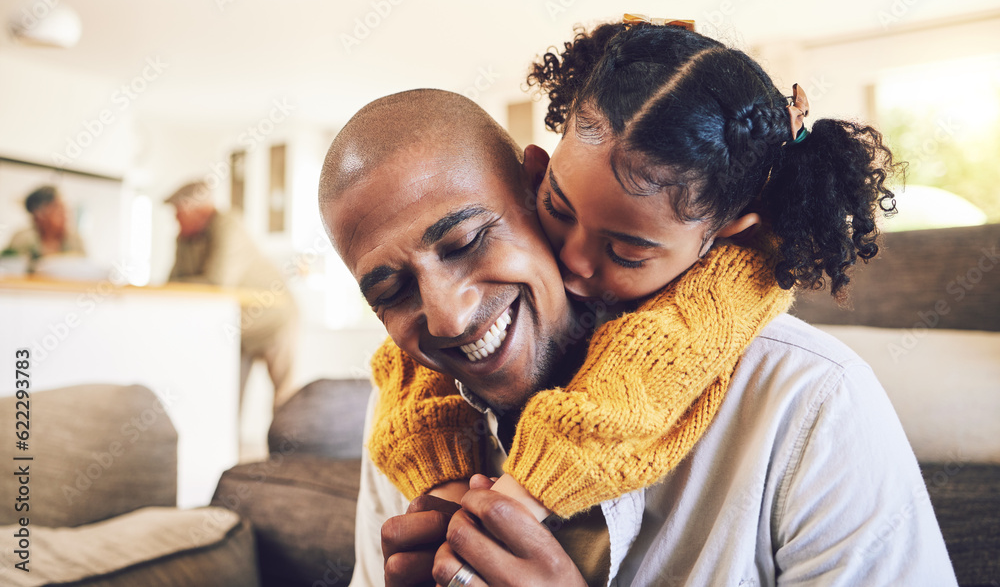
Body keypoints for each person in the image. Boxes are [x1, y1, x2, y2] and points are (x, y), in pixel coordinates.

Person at [320, 82, 956, 587]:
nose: (448, 319)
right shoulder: (409, 419)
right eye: (390, 291)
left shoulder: (809, 402)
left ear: (537, 188)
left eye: (464, 242)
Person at [165, 180, 299, 410]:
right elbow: (173, 284)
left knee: (283, 399)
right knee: (228, 400)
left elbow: (217, 283)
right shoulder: (183, 238)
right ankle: (228, 446)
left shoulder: (228, 224)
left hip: (274, 319)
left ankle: (283, 446)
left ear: (193, 209)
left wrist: (186, 284)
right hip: (237, 327)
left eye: (178, 212)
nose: (175, 219)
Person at [6, 185, 85, 271]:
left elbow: (84, 270)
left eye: (65, 210)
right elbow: (11, 271)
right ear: (39, 214)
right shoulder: (22, 239)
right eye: (59, 211)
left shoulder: (75, 240)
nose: (65, 216)